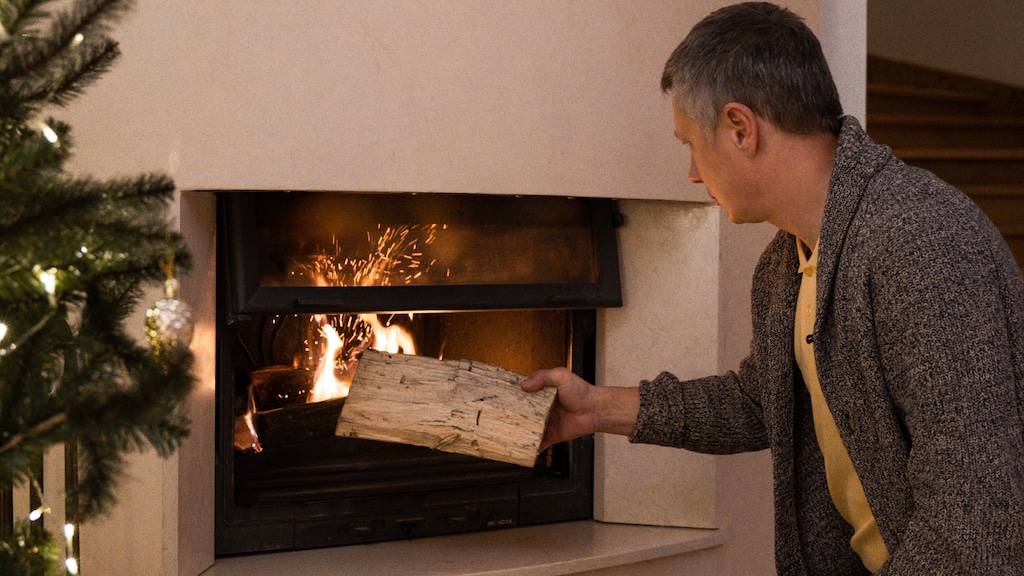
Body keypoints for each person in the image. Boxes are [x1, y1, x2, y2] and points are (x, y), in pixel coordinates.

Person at [520, 2, 1024, 575]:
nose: (691, 172)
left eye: (691, 144)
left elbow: (973, 526)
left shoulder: (920, 243)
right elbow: (765, 399)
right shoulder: (785, 264)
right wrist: (595, 408)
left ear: (741, 128)